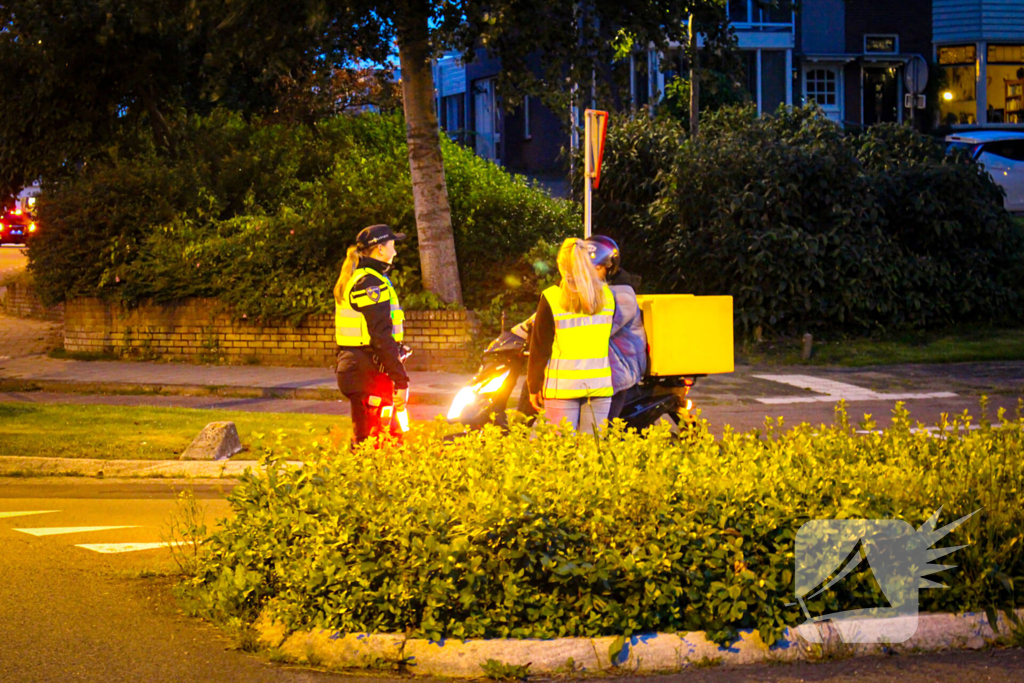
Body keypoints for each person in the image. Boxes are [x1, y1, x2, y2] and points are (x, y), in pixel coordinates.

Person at [526, 237, 616, 435]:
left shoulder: (551, 298)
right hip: (599, 386)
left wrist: (533, 386)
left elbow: (540, 348)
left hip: (562, 388)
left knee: (561, 452)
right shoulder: (608, 297)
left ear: (561, 265)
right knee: (592, 454)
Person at [333, 224, 410, 445]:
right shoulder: (369, 283)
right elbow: (380, 335)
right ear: (379, 250)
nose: (395, 251)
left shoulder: (366, 278)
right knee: (374, 444)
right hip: (365, 371)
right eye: (392, 245)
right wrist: (401, 381)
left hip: (362, 367)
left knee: (379, 441)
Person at [584, 235, 648, 421]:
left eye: (597, 268)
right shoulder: (587, 293)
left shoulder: (622, 295)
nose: (591, 274)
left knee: (600, 432)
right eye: (587, 268)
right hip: (597, 368)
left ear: (610, 269)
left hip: (619, 370)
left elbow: (596, 330)